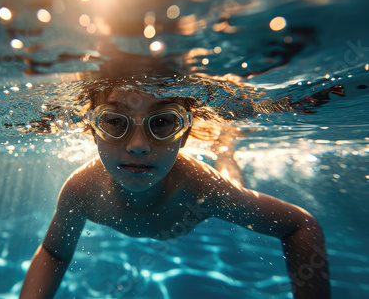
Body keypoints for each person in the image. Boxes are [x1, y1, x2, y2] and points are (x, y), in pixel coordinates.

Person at [19, 80, 330, 299]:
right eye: (114, 121)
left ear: (185, 135)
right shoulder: (81, 190)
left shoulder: (204, 188)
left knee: (234, 183)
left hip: (209, 192)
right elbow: (53, 252)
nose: (138, 145)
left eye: (163, 122)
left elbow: (300, 225)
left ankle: (225, 152)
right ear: (92, 131)